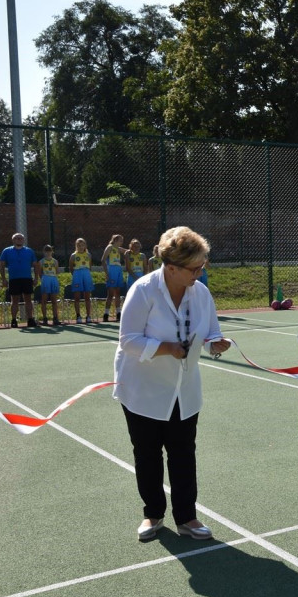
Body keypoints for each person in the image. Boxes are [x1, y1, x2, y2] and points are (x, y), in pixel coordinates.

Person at [114, 226, 231, 542]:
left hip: (184, 388)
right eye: (194, 268)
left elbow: (210, 332)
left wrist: (216, 343)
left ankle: (187, 518)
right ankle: (153, 514)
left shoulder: (201, 292)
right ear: (171, 267)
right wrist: (166, 348)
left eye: (202, 265)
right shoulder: (143, 290)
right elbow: (128, 341)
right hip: (143, 389)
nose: (200, 272)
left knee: (183, 453)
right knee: (147, 453)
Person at [0, 232, 39, 328]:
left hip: (27, 279)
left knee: (28, 300)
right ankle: (13, 320)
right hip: (14, 279)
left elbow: (35, 265)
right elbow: (2, 265)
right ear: (13, 240)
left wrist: (36, 278)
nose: (19, 240)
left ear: (23, 240)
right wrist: (3, 279)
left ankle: (30, 319)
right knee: (14, 301)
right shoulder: (6, 251)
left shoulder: (29, 251)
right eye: (17, 238)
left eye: (20, 238)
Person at [69, 238, 94, 324]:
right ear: (76, 246)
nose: (80, 247)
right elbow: (71, 268)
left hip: (86, 274)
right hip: (77, 275)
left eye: (82, 245)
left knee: (87, 296)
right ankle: (78, 316)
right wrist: (76, 275)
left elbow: (90, 266)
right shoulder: (73, 255)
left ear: (85, 246)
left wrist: (86, 273)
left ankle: (88, 316)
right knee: (77, 297)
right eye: (78, 245)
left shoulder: (89, 255)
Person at [102, 234, 126, 322]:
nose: (121, 242)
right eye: (120, 240)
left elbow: (127, 251)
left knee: (118, 293)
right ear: (115, 240)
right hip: (112, 270)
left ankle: (118, 313)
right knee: (110, 294)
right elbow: (103, 260)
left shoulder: (118, 249)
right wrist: (107, 273)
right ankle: (106, 313)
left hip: (118, 270)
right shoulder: (110, 247)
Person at [37, 245, 61, 326]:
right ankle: (44, 318)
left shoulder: (55, 261)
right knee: (44, 300)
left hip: (53, 279)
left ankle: (55, 318)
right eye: (46, 251)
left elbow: (57, 271)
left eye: (49, 251)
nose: (48, 253)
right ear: (44, 252)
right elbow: (39, 272)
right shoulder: (41, 262)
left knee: (54, 300)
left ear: (52, 252)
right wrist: (43, 278)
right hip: (45, 279)